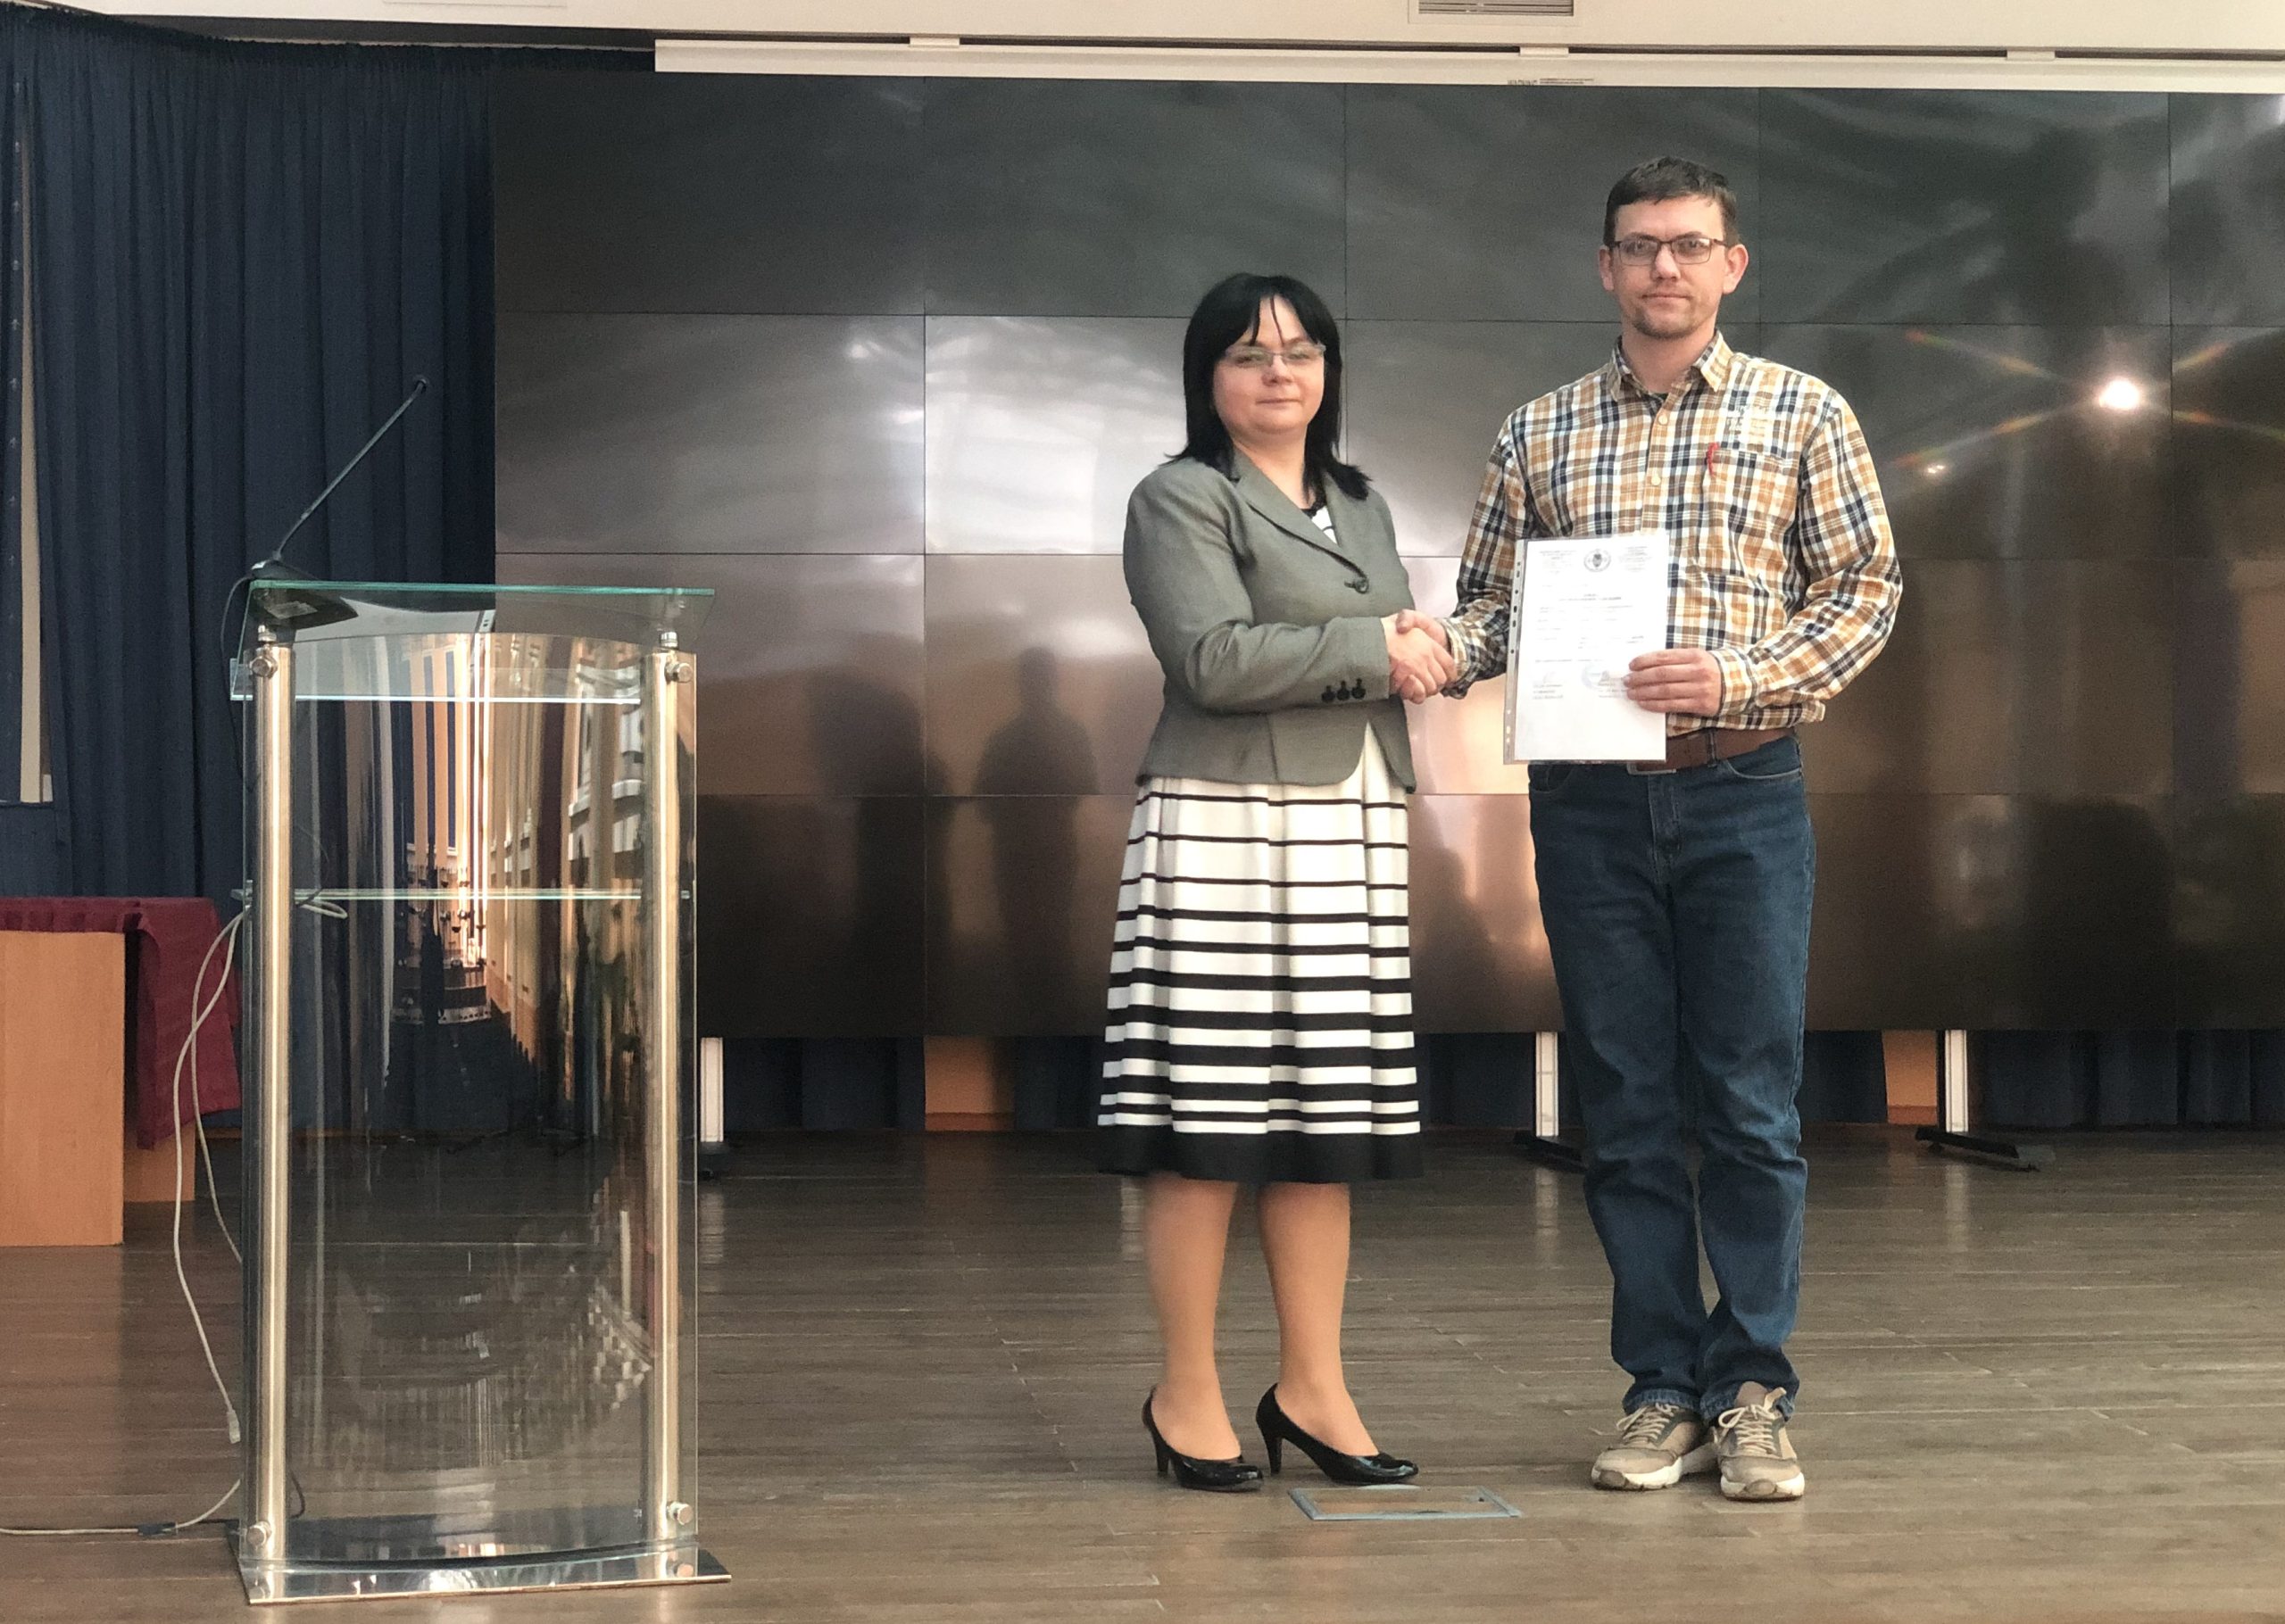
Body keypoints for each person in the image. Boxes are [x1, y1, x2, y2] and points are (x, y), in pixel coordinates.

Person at [1404, 157, 1901, 1501]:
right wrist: (1432, 649)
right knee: (1624, 1106)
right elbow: (1495, 610)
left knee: (1749, 1105)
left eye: (1688, 244)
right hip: (1588, 803)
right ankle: (1660, 1390)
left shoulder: (1805, 413)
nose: (1663, 267)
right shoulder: (1540, 430)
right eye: (1639, 246)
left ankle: (1753, 1390)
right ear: (1606, 267)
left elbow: (1863, 593)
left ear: (1732, 263)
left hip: (1745, 787)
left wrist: (1733, 677)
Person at [1101, 271, 1452, 1492]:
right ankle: (1185, 1392)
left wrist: (1434, 650)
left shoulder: (1361, 502)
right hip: (1224, 827)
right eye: (1249, 354)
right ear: (1207, 377)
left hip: (1349, 824)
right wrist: (1380, 648)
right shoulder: (1180, 497)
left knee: (1322, 1127)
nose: (1279, 373)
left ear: (1329, 371)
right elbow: (1212, 660)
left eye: (1301, 351)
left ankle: (1313, 1388)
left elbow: (1380, 647)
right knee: (1206, 1125)